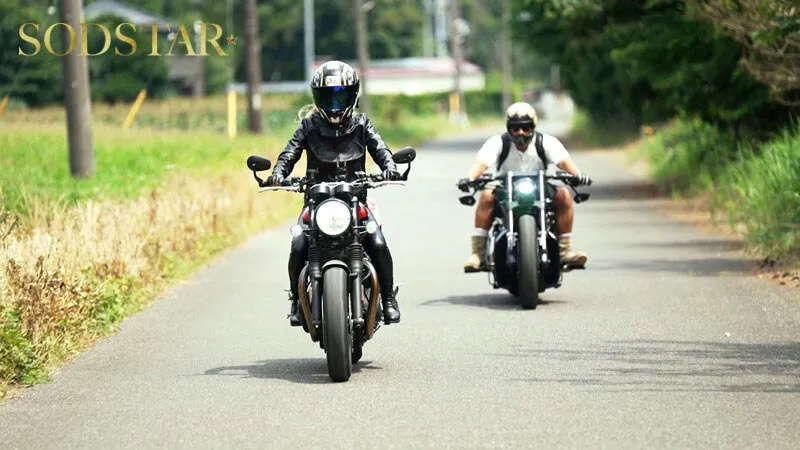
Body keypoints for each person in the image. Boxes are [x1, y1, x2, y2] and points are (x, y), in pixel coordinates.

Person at [264, 60, 402, 326]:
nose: (335, 103)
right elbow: (289, 152)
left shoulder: (362, 124)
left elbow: (381, 150)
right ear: (318, 97)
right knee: (299, 244)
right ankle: (295, 299)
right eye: (329, 96)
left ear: (353, 95)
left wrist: (390, 168)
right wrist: (279, 173)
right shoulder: (309, 126)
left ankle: (387, 298)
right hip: (317, 202)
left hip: (356, 200)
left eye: (341, 95)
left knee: (378, 241)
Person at [458, 102, 592, 272]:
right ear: (509, 128)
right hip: (505, 188)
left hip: (540, 187)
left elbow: (565, 163)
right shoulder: (498, 143)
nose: (520, 133)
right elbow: (481, 164)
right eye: (515, 128)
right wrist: (469, 178)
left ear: (533, 127)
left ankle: (565, 250)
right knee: (486, 195)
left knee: (564, 195)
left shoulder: (546, 142)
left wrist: (577, 176)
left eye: (525, 128)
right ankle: (478, 253)